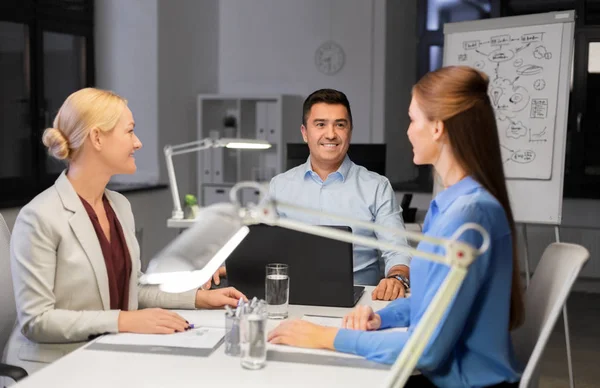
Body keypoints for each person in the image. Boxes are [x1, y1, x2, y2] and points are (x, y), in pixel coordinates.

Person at [267, 66, 525, 388]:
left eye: (413, 119)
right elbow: (428, 302)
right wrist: (381, 317)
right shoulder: (449, 204)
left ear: (437, 129)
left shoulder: (468, 216)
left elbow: (426, 350)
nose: (407, 131)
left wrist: (327, 337)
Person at [2, 88, 245, 378]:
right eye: (129, 131)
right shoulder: (40, 216)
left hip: (111, 352)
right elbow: (36, 321)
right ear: (97, 138)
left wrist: (199, 298)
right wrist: (125, 321)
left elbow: (135, 290)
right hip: (53, 367)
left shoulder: (119, 205)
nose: (138, 142)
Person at [207, 89, 412, 301]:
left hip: (358, 301)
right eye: (320, 124)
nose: (331, 134)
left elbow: (397, 251)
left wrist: (397, 278)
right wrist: (225, 265)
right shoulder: (279, 186)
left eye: (340, 125)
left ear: (350, 131)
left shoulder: (377, 187)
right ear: (305, 133)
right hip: (293, 298)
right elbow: (258, 246)